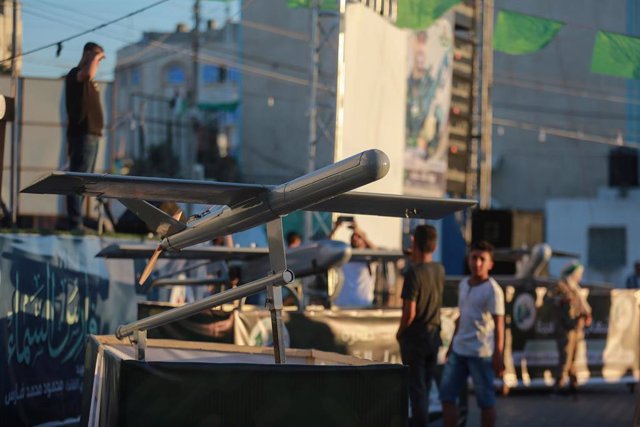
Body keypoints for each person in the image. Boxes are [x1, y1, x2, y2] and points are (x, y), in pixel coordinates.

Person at [440, 241, 505, 427]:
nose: (477, 263)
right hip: (459, 351)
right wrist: (451, 345)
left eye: (482, 259)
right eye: (474, 258)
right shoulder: (463, 284)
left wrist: (498, 354)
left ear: (490, 264)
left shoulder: (493, 290)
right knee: (446, 396)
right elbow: (462, 317)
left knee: (486, 402)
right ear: (468, 259)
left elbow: (500, 324)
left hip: (481, 353)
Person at [396, 225, 444, 427]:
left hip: (415, 339)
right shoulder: (439, 269)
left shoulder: (412, 274)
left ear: (414, 243)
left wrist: (400, 332)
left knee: (417, 392)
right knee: (425, 387)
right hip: (433, 338)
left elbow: (410, 313)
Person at [65, 42, 105, 230]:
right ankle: (74, 222)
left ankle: (77, 221)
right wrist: (96, 57)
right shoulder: (76, 73)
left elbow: (91, 75)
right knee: (78, 179)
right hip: (82, 134)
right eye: (96, 56)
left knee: (84, 181)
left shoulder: (91, 80)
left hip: (93, 135)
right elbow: (87, 73)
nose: (99, 61)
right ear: (87, 53)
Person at [550, 261, 592, 395]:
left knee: (573, 358)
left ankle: (573, 385)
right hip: (565, 328)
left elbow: (583, 307)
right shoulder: (561, 286)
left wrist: (586, 315)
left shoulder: (576, 288)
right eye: (578, 273)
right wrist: (561, 300)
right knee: (565, 358)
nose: (580, 276)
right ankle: (559, 386)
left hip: (576, 327)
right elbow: (550, 299)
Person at [329, 216, 377, 307]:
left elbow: (377, 252)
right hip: (342, 304)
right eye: (353, 236)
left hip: (363, 304)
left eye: (359, 237)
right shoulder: (345, 254)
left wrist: (358, 230)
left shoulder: (369, 257)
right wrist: (335, 228)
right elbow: (327, 246)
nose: (355, 238)